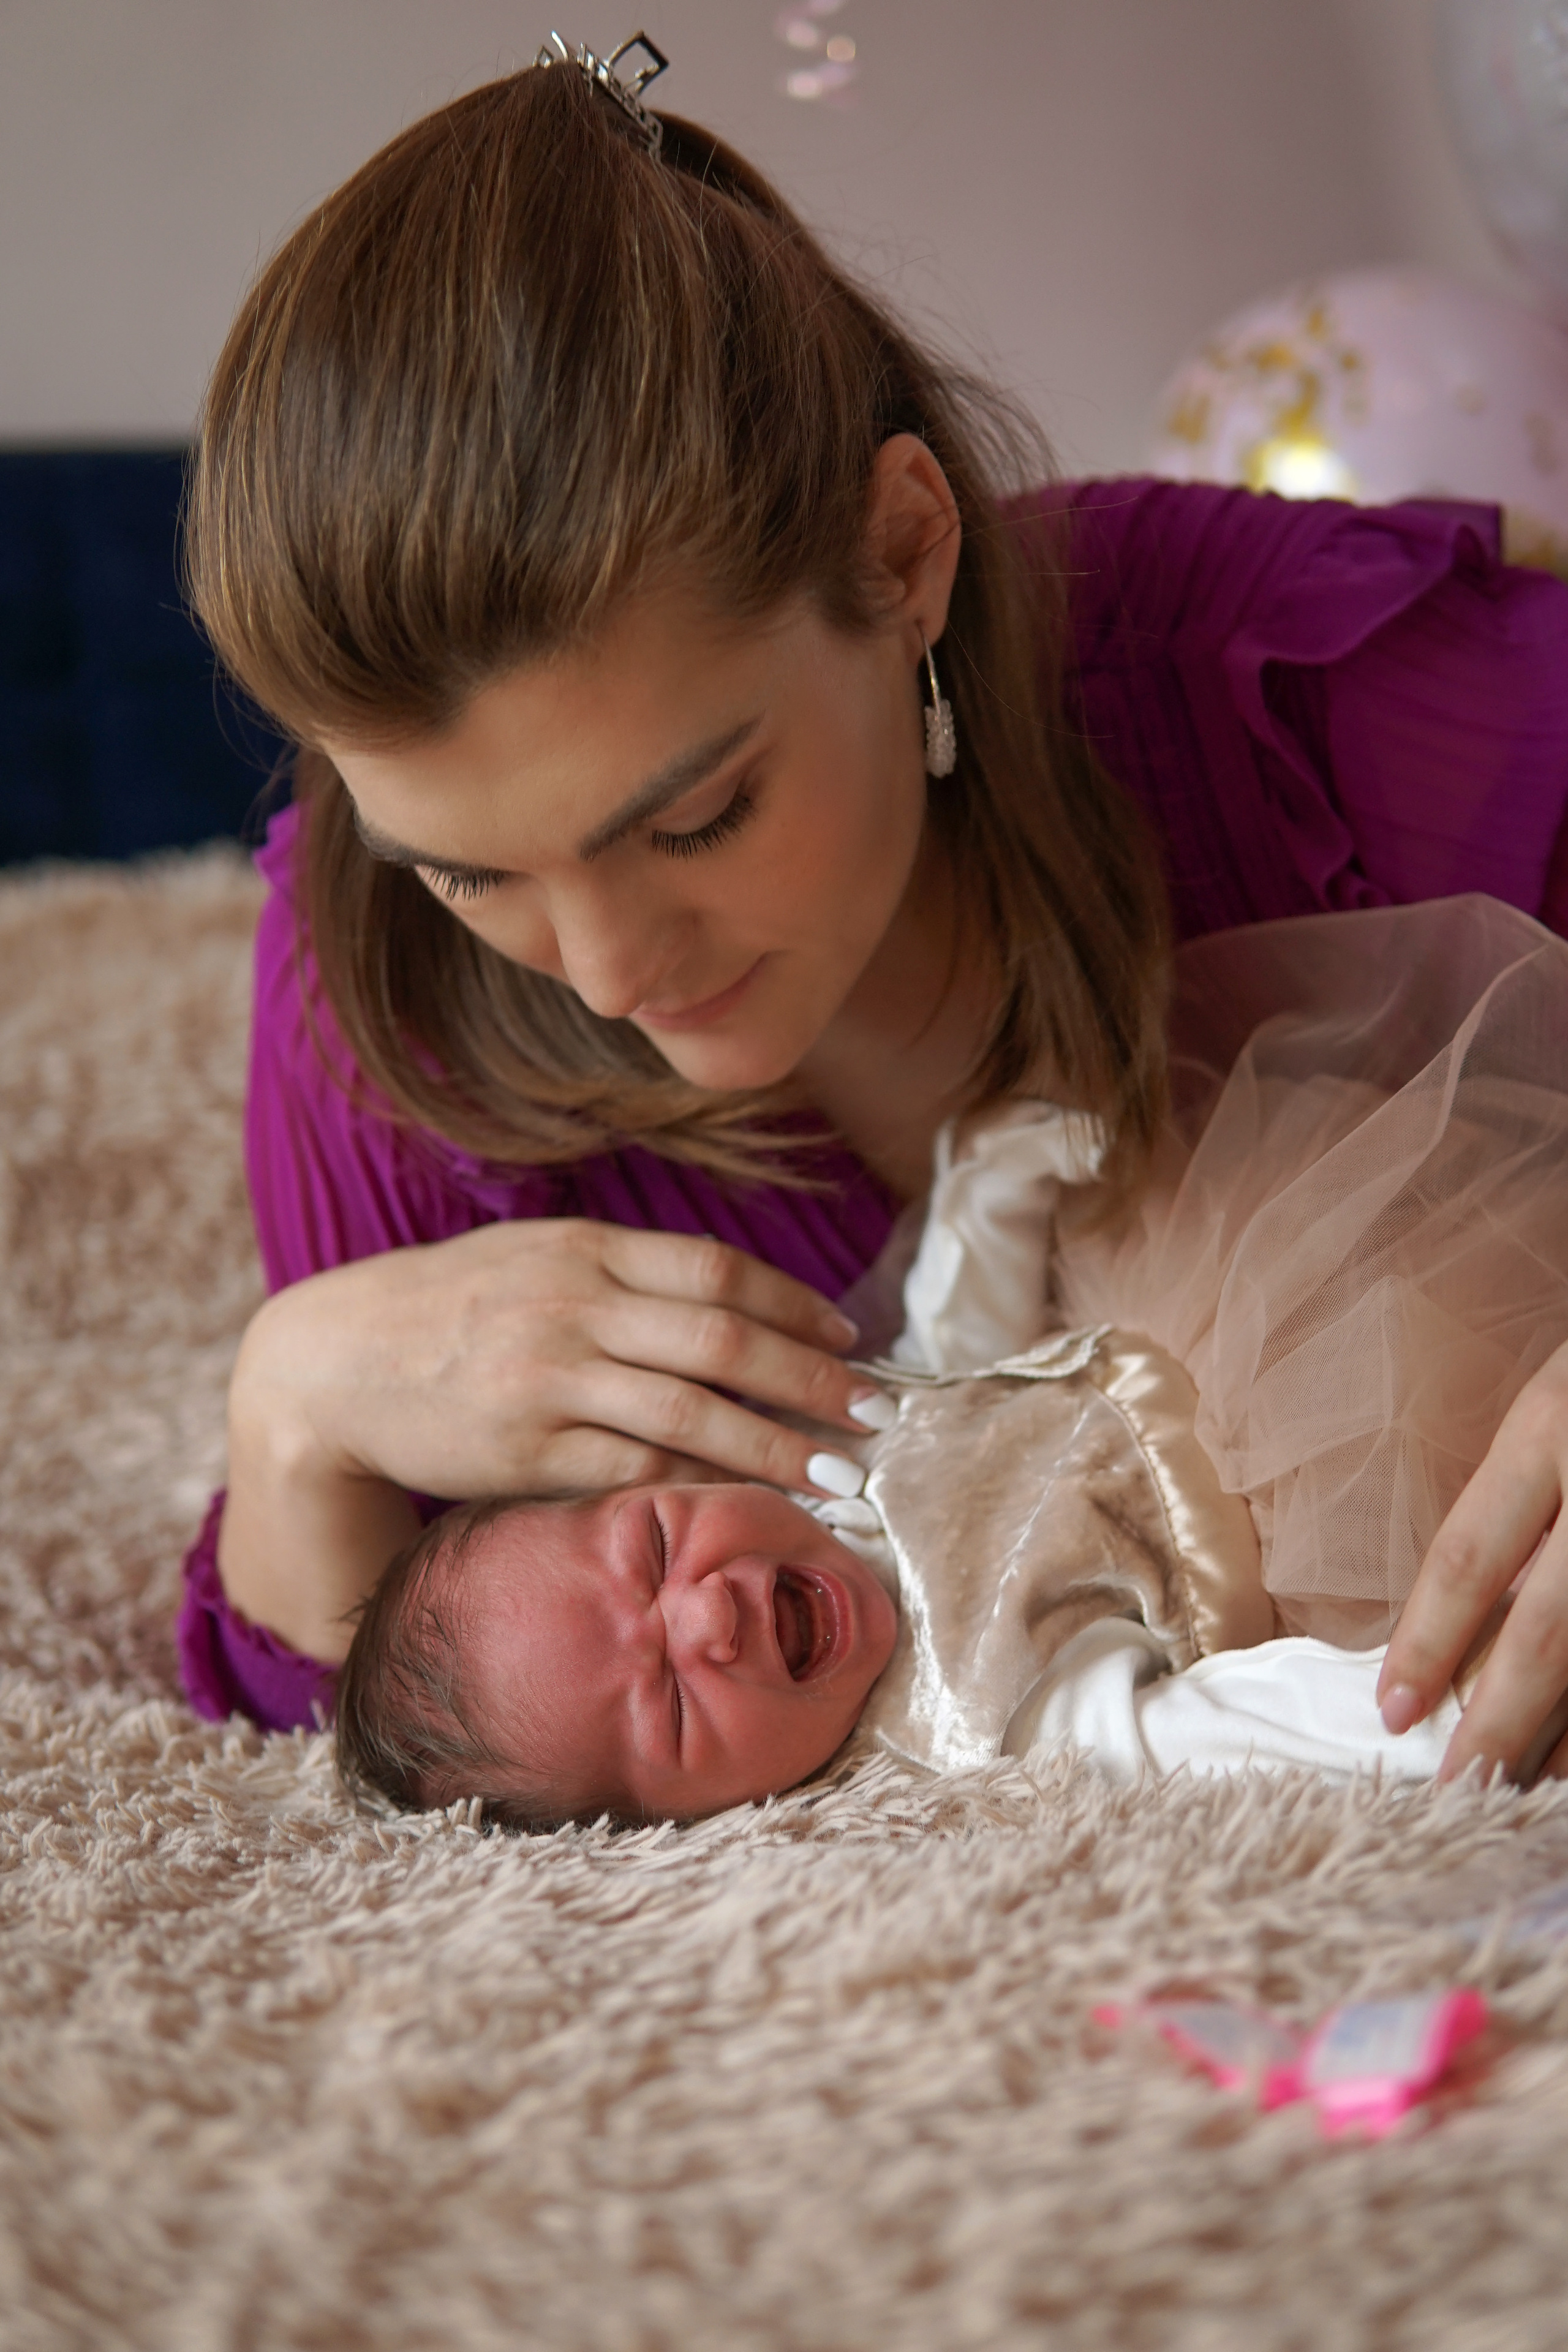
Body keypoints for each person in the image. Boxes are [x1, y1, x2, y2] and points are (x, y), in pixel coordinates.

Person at [175, 45, 1568, 1787]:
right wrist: (294, 1404)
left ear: (904, 552)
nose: (612, 976)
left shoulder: (1263, 691)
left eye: (696, 815)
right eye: (473, 871)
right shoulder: (376, 991)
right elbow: (380, 1692)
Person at [328, 892, 1568, 1828]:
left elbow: (951, 1361)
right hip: (1322, 1505)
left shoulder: (820, 1467)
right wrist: (1425, 1705)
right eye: (668, 1705)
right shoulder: (974, 1718)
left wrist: (1000, 1176)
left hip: (1222, 1308)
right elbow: (1199, 1734)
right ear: (690, 1825)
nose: (705, 1611)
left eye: (654, 1546)